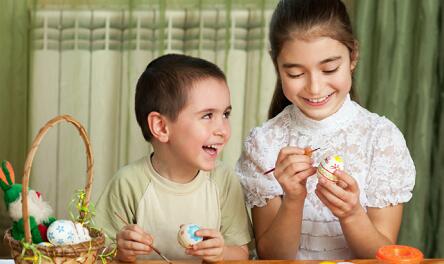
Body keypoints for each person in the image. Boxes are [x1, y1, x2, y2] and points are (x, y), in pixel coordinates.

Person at [235, 0, 415, 260]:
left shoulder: (382, 138)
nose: (315, 88)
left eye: (329, 69)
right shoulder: (263, 143)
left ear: (353, 56)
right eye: (296, 74)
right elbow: (272, 256)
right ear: (277, 67)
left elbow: (380, 257)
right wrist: (294, 200)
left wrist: (352, 213)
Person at [95, 54, 251, 262]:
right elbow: (95, 254)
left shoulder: (224, 181)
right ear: (161, 127)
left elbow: (242, 254)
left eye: (226, 114)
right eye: (207, 116)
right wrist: (120, 252)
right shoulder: (128, 184)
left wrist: (221, 253)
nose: (223, 130)